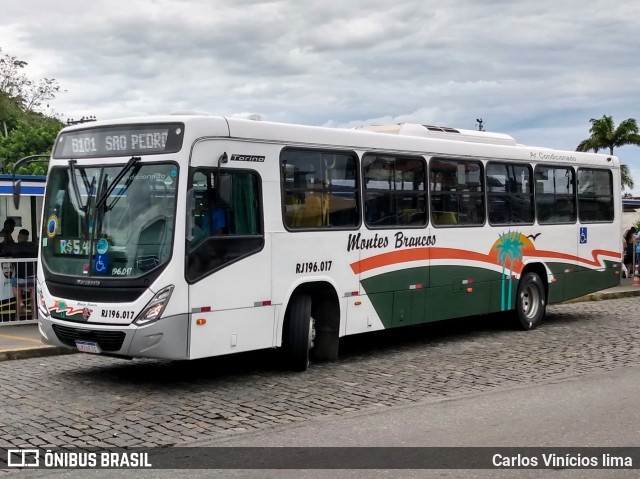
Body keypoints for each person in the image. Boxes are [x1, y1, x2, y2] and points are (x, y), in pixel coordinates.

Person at [4, 229, 37, 317]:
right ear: (27, 238)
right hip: (33, 279)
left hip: (20, 279)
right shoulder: (34, 246)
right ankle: (34, 315)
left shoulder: (14, 246)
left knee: (14, 284)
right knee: (33, 292)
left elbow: (4, 249)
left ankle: (20, 302)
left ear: (19, 237)